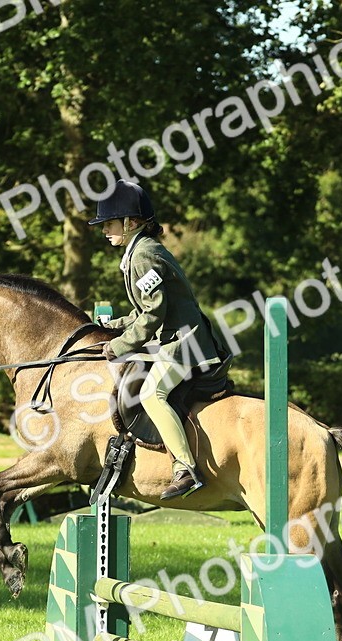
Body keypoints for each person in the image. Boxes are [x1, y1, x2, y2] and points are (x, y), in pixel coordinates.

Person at [88, 180, 226, 500]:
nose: (104, 230)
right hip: (172, 338)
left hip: (184, 343)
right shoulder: (139, 251)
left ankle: (186, 469)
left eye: (110, 223)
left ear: (131, 222)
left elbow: (153, 314)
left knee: (152, 394)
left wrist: (119, 346)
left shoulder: (143, 255)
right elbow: (142, 312)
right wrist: (110, 327)